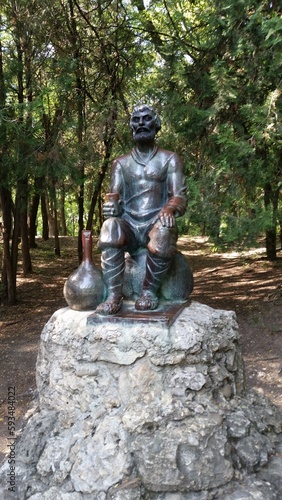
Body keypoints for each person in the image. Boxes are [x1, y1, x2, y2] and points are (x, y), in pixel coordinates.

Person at [96, 104, 187, 315]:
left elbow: (179, 196)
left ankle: (148, 291)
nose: (141, 124)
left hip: (155, 222)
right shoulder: (120, 163)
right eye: (136, 120)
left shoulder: (170, 159)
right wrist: (111, 208)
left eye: (146, 119)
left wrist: (169, 209)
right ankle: (113, 295)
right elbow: (115, 199)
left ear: (157, 125)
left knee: (164, 230)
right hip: (129, 225)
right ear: (130, 126)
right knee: (110, 227)